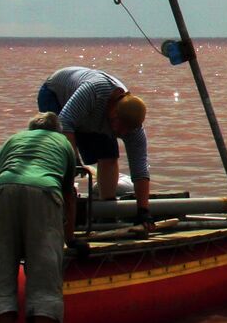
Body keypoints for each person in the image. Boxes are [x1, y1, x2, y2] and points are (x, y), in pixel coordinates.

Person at [0, 111, 78, 323]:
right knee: (45, 280)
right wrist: (69, 238)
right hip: (44, 194)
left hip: (1, 193)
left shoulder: (13, 139)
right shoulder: (64, 144)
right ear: (56, 130)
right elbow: (69, 195)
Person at [37, 66, 151, 224]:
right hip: (55, 95)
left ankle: (107, 212)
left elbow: (140, 169)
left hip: (92, 115)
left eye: (126, 130)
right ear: (114, 111)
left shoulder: (133, 130)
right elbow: (65, 122)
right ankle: (59, 210)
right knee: (63, 159)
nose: (120, 132)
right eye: (119, 125)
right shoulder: (93, 92)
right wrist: (73, 158)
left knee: (109, 157)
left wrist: (143, 211)